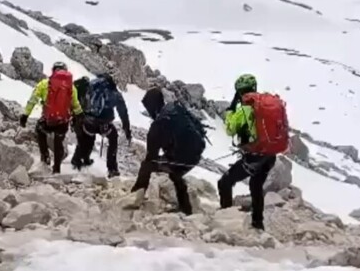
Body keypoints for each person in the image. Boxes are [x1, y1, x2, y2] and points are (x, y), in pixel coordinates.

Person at [216, 74, 291, 231]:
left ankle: (226, 219)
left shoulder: (245, 109)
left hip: (254, 157)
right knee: (255, 184)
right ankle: (258, 223)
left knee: (225, 182)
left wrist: (231, 111)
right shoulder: (264, 105)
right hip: (269, 155)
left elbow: (230, 129)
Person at [128, 87, 208, 215]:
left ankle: (135, 197)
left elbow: (151, 156)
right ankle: (186, 209)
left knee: (147, 166)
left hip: (180, 159)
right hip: (196, 154)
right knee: (174, 173)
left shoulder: (158, 125)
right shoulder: (176, 109)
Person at [20, 62, 83, 174]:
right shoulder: (71, 87)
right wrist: (79, 117)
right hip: (63, 121)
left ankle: (45, 157)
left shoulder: (44, 84)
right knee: (58, 142)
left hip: (48, 120)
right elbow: (76, 105)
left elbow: (33, 100)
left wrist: (25, 115)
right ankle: (57, 168)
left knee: (40, 131)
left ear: (53, 71)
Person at [72, 72, 130, 177]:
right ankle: (112, 169)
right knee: (113, 138)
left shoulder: (91, 86)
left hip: (88, 121)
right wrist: (127, 130)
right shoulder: (114, 92)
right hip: (104, 125)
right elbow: (123, 112)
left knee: (87, 138)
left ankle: (77, 160)